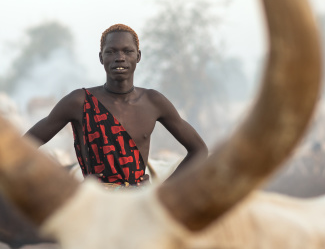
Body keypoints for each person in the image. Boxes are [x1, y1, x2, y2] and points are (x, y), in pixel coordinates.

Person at [26, 24, 208, 189]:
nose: (119, 58)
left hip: (138, 206)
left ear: (138, 56)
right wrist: (61, 185)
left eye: (127, 51)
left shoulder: (153, 101)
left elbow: (199, 150)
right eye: (111, 51)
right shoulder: (79, 101)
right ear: (101, 57)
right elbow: (25, 145)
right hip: (95, 206)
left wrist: (161, 192)